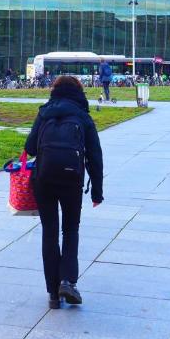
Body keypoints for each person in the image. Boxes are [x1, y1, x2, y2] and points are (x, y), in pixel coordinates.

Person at [25, 76, 103, 309]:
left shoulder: (44, 112)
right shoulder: (83, 116)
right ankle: (68, 281)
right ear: (79, 92)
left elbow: (29, 148)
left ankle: (52, 293)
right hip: (72, 180)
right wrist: (97, 193)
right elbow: (95, 157)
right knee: (70, 229)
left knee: (49, 231)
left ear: (55, 91)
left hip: (44, 179)